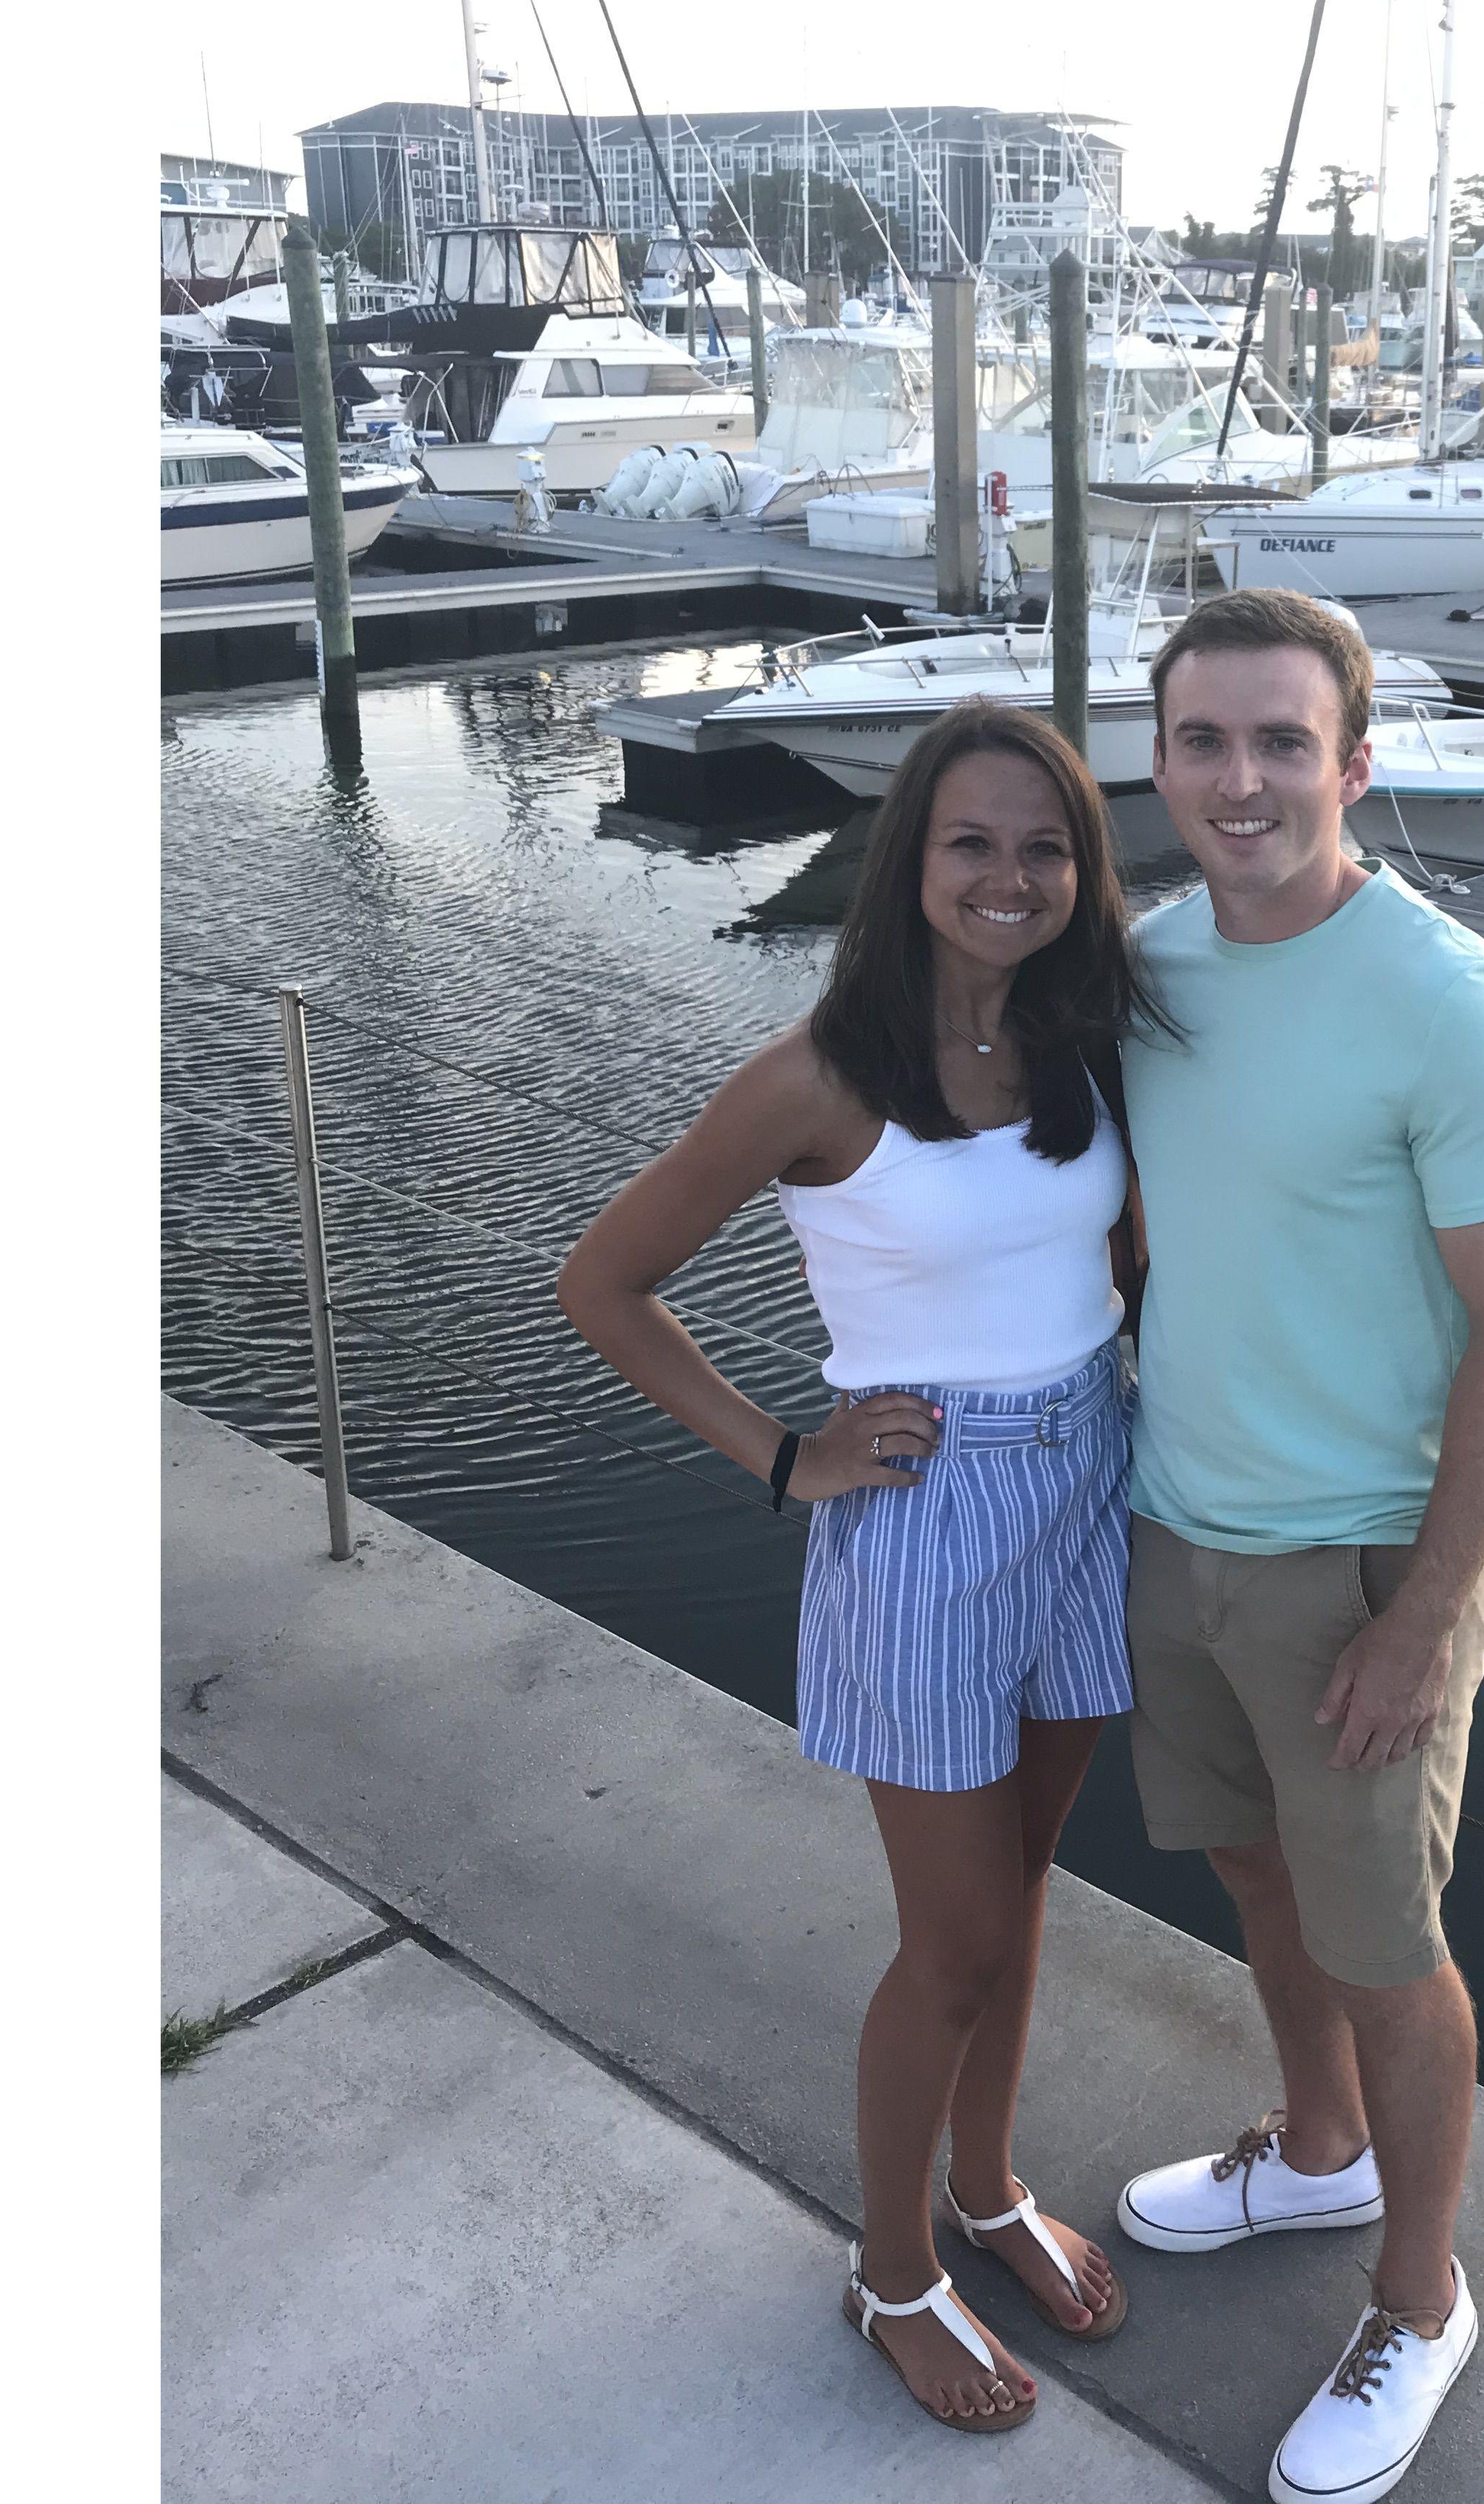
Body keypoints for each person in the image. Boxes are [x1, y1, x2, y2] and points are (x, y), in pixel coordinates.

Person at [559, 697, 1165, 2439]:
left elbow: (1122, 1260)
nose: (1008, 878)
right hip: (924, 1520)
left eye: (1044, 848)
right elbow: (604, 1284)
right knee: (952, 1942)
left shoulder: (1076, 1044)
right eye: (971, 843)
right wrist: (784, 1455)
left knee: (1023, 1892)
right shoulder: (816, 1080)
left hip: (1085, 1477)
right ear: (911, 861)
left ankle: (987, 2188)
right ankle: (892, 2273)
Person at [1108, 588, 1484, 2504]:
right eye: (1205, 741)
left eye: (1283, 743)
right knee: (1253, 1872)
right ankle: (1319, 2155)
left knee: (1389, 1947)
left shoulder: (1448, 1005)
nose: (1243, 780)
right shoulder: (1151, 968)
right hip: (1178, 1525)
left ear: (1355, 764)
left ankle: (1420, 2296)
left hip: (1365, 1568)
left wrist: (1426, 1617)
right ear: (1161, 763)